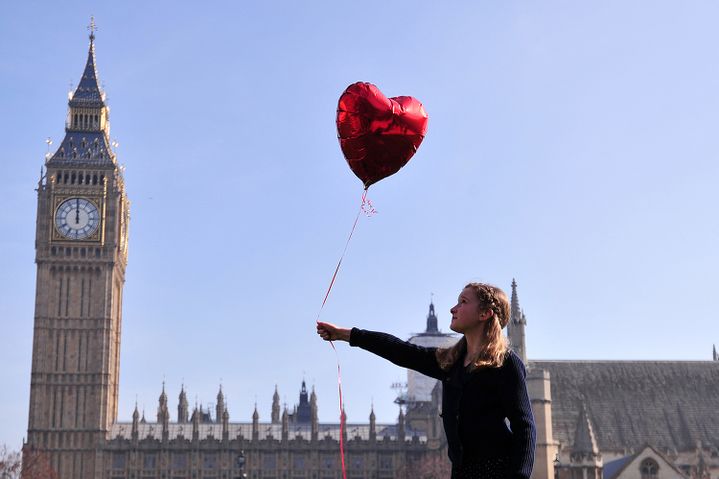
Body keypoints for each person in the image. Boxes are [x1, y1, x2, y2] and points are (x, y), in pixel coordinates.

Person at [316, 282, 536, 479]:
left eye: (463, 302)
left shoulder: (506, 363)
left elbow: (525, 426)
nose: (453, 308)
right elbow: (401, 351)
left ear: (485, 314)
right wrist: (347, 335)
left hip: (498, 470)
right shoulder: (451, 362)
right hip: (462, 471)